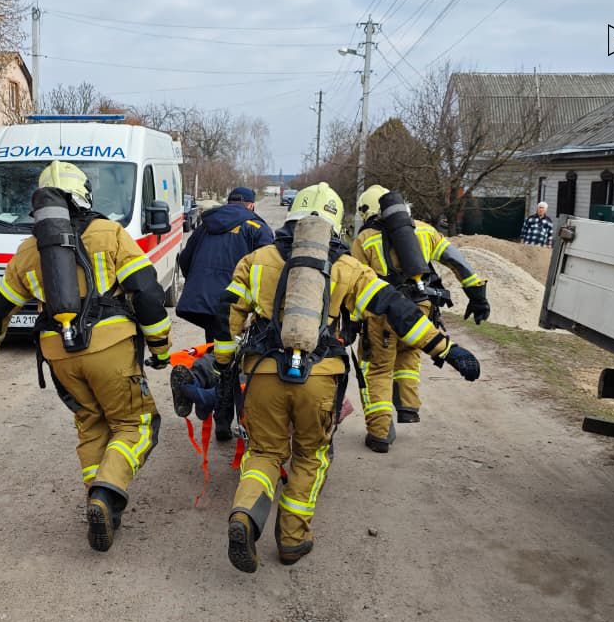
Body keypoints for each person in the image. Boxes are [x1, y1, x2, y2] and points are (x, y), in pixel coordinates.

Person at [215, 182, 482, 572]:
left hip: (264, 375)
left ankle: (244, 515)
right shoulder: (348, 268)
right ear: (336, 224)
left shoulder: (256, 261)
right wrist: (445, 349)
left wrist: (224, 364)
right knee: (311, 455)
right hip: (320, 379)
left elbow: (230, 318)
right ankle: (292, 539)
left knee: (264, 454)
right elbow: (397, 310)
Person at [0, 160, 172, 553]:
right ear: (83, 196)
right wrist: (161, 348)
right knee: (137, 424)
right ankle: (106, 493)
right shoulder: (110, 234)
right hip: (110, 349)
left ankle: (102, 509)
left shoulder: (29, 251)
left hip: (60, 355)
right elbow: (147, 293)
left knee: (91, 424)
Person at [351, 184, 490, 451]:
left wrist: (354, 321)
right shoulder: (425, 230)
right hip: (421, 308)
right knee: (409, 354)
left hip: (383, 316)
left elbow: (354, 282)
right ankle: (408, 407)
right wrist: (477, 294)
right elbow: (456, 260)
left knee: (378, 369)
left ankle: (379, 434)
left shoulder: (365, 239)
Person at [176, 186, 273, 441]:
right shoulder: (257, 228)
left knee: (218, 352)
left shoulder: (206, 224)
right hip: (235, 306)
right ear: (251, 205)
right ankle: (213, 407)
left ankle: (205, 390)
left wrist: (200, 284)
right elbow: (271, 268)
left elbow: (185, 259)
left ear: (229, 202)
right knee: (232, 361)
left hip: (205, 302)